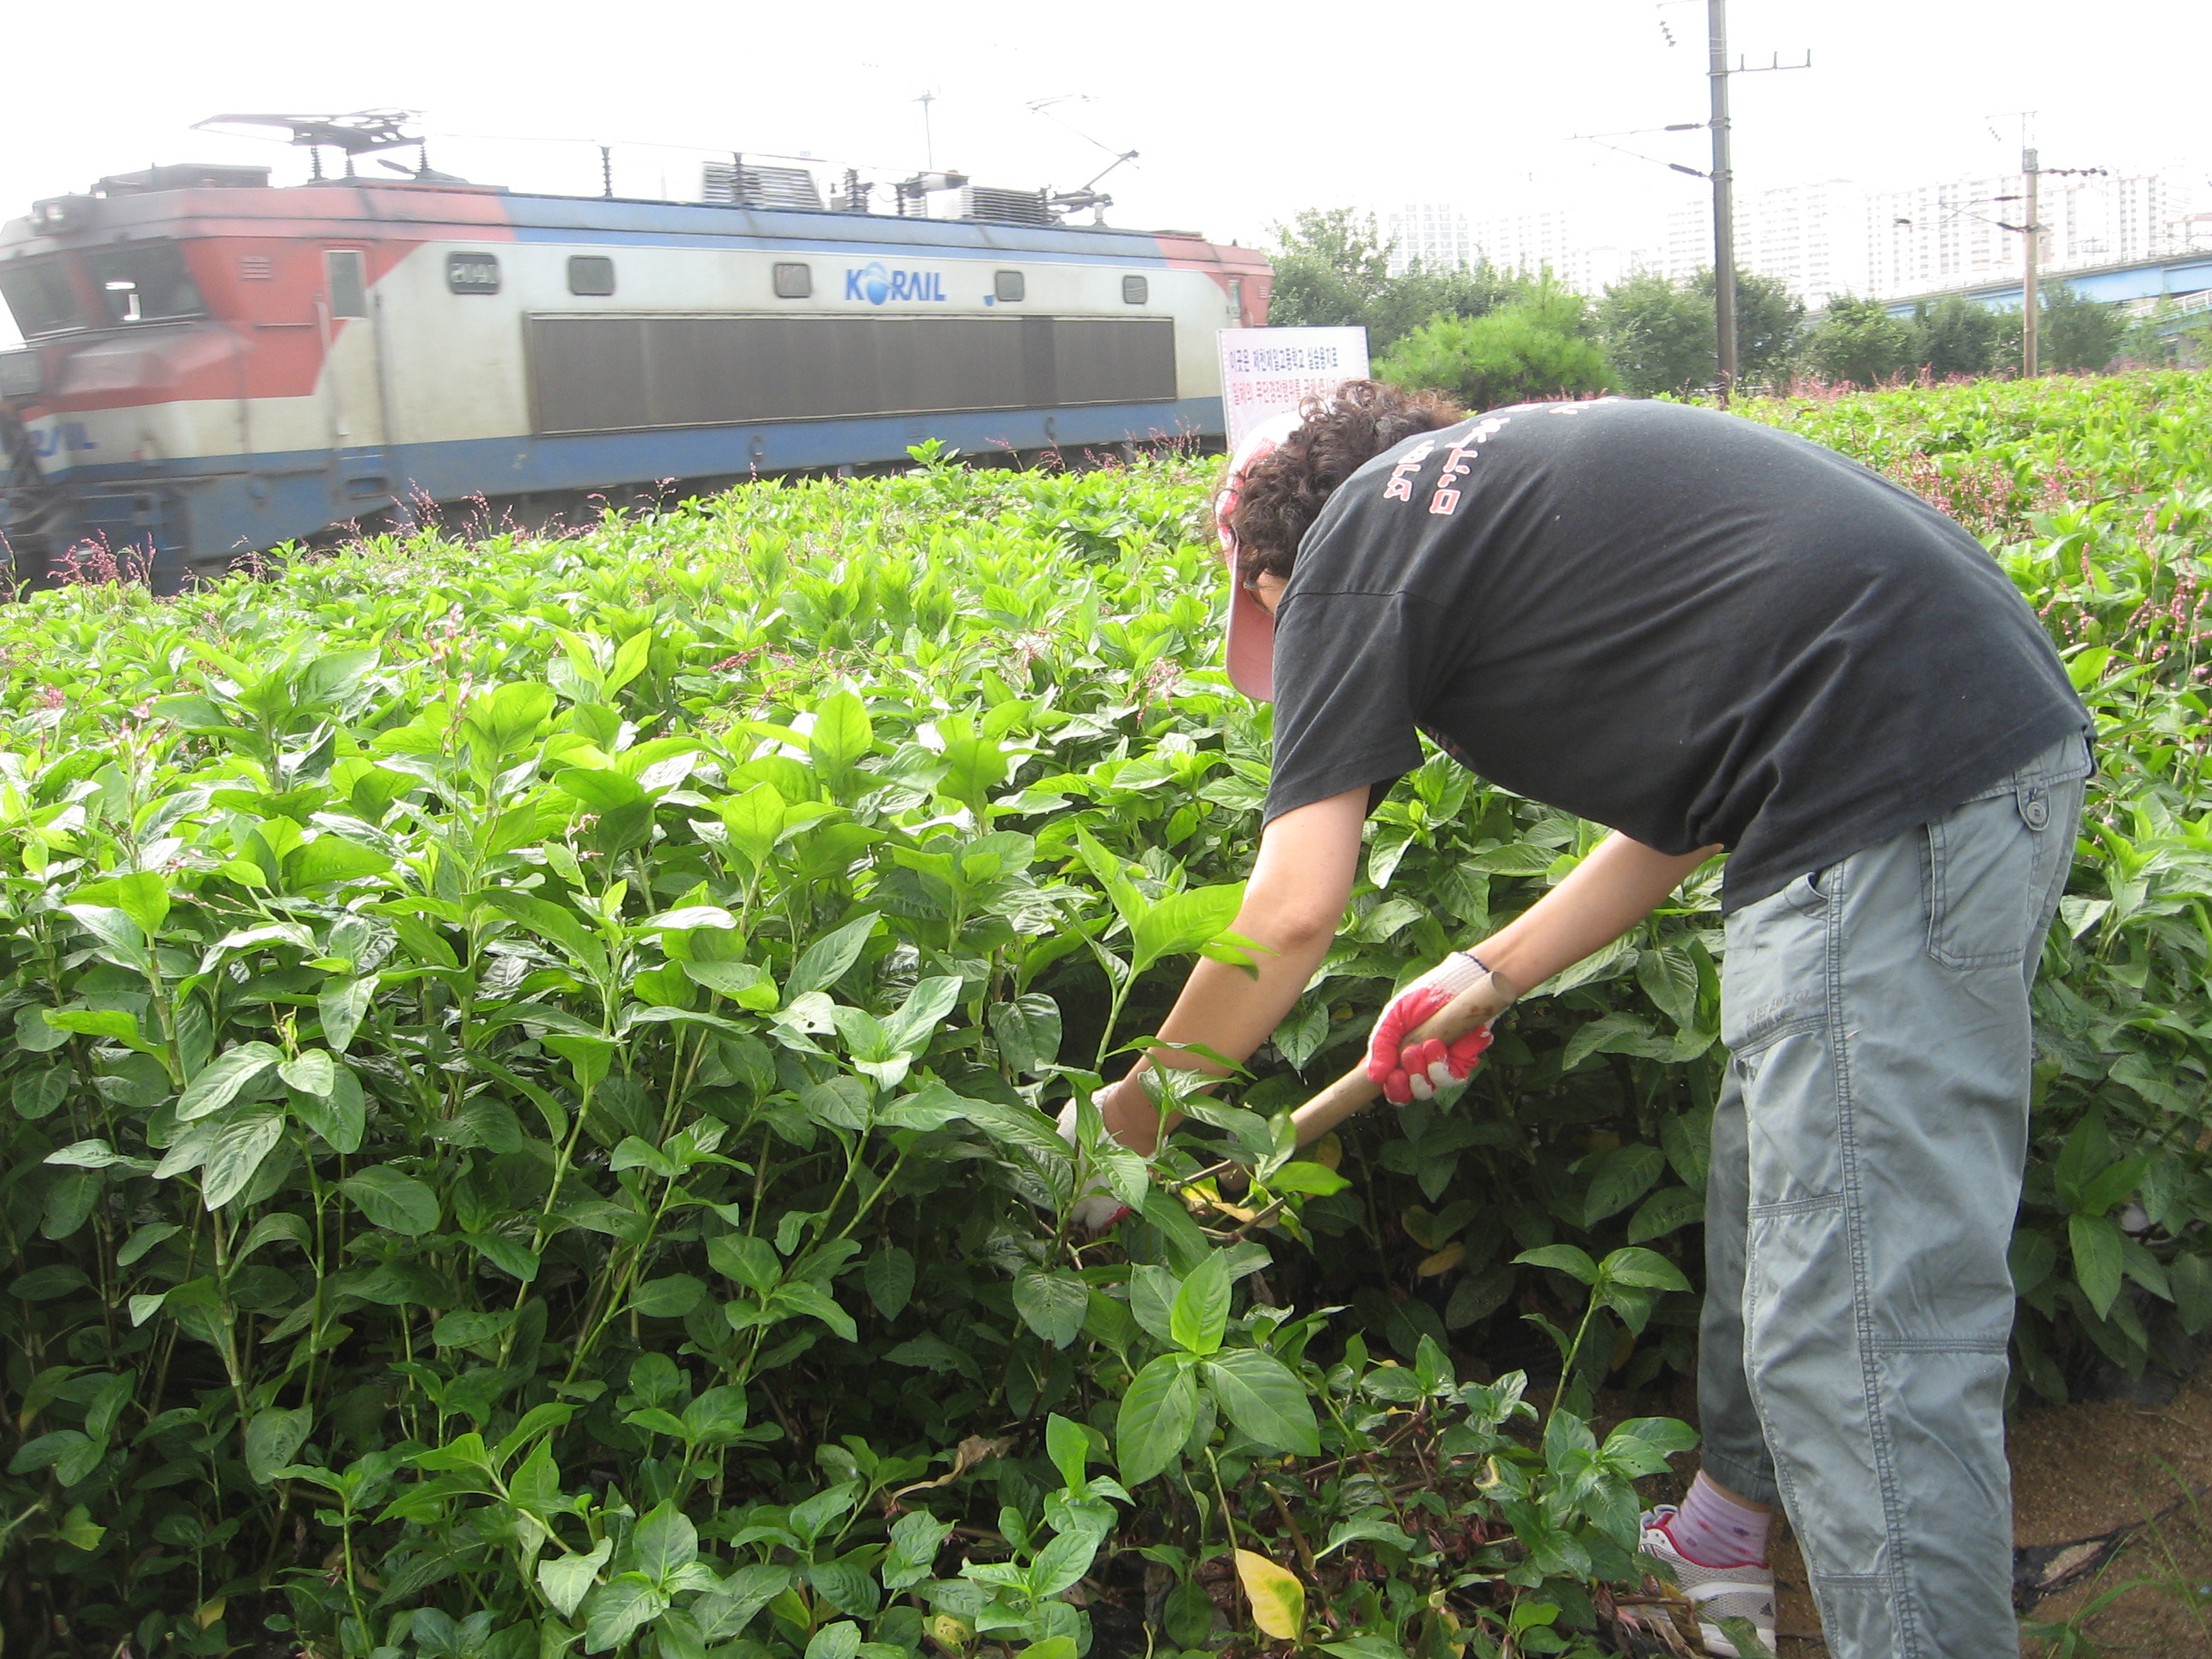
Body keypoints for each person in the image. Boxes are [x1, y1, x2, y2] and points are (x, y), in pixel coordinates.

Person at [1086, 381, 2090, 1659]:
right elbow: (1699, 801)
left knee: (1859, 1341)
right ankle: (1724, 1542)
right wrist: (1491, 972)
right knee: (1778, 1183)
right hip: (1952, 759)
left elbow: (1287, 914)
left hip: (1890, 786)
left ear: (1272, 569)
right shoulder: (1486, 494)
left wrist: (1127, 1129)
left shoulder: (1348, 540)